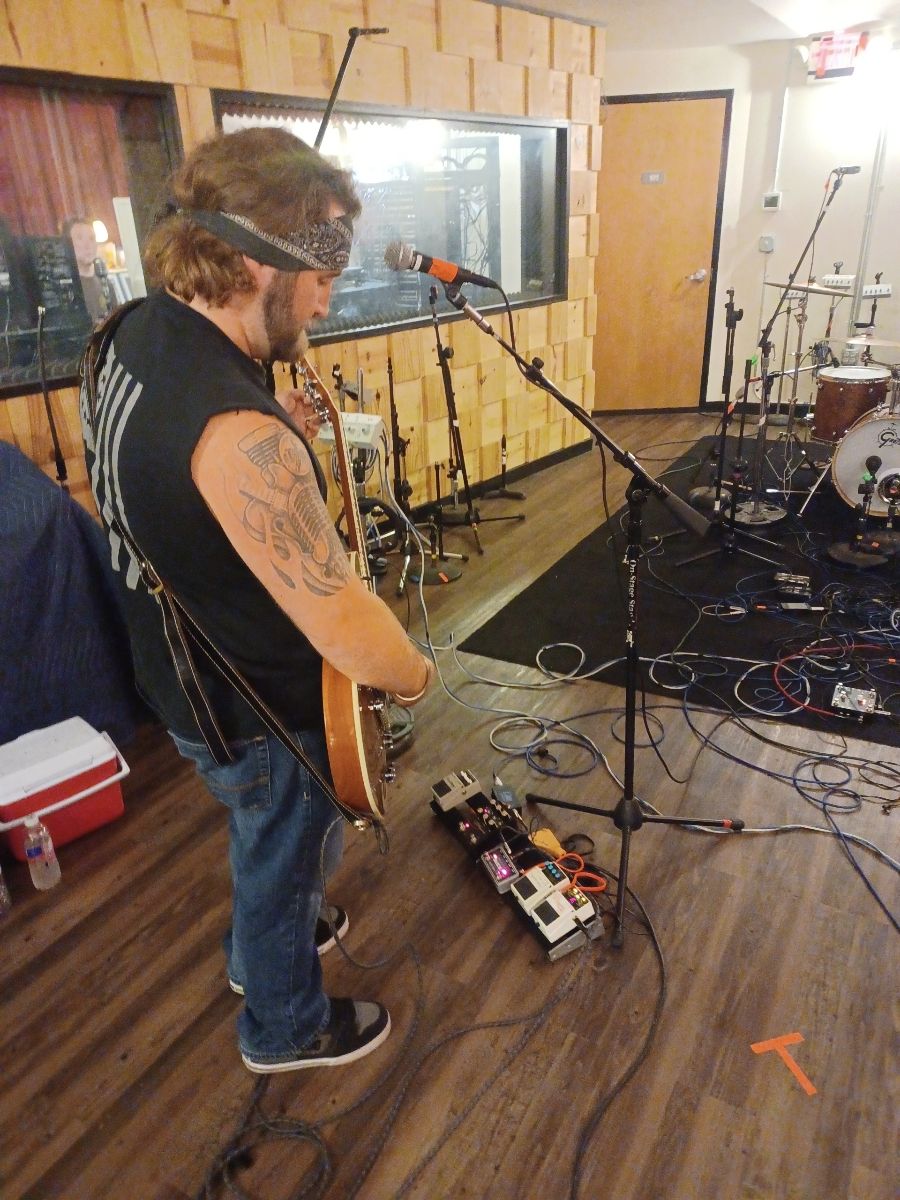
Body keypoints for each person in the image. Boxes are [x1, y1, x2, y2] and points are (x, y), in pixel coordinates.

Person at [80, 127, 434, 1074]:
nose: (327, 297)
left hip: (174, 671)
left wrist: (274, 432)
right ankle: (284, 1025)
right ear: (251, 261)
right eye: (319, 273)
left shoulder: (131, 333)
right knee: (285, 847)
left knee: (265, 838)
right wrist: (413, 675)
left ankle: (262, 947)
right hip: (256, 707)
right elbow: (344, 620)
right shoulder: (238, 434)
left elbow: (167, 483)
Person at [63, 216, 110, 324]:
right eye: (80, 238)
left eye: (92, 238)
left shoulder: (106, 284)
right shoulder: (67, 289)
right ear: (67, 244)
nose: (88, 245)